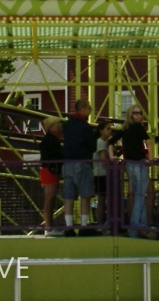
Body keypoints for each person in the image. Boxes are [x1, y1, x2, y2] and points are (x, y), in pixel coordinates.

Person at [109, 104, 151, 238]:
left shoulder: (124, 129)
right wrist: (150, 158)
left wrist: (112, 157)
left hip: (129, 165)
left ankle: (143, 225)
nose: (138, 115)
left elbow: (110, 142)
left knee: (139, 195)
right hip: (139, 163)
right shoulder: (139, 127)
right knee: (140, 195)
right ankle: (133, 228)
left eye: (140, 113)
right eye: (136, 113)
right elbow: (149, 141)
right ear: (130, 115)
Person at [61, 98, 97, 236]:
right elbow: (92, 146)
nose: (90, 110)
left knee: (69, 197)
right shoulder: (85, 127)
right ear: (82, 109)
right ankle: (83, 226)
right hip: (81, 163)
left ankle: (68, 227)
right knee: (85, 196)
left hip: (67, 164)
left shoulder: (67, 125)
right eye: (88, 108)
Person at [39, 116, 64, 236]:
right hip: (49, 171)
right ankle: (48, 226)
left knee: (51, 198)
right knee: (49, 198)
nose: (59, 126)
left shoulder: (52, 139)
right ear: (50, 127)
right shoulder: (49, 141)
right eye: (56, 124)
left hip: (51, 170)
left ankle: (49, 226)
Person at [93, 122, 113, 231]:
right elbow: (103, 160)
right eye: (107, 128)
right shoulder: (100, 143)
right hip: (101, 174)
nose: (110, 131)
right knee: (101, 200)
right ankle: (101, 224)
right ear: (101, 130)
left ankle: (101, 223)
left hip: (99, 174)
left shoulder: (102, 142)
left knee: (101, 200)